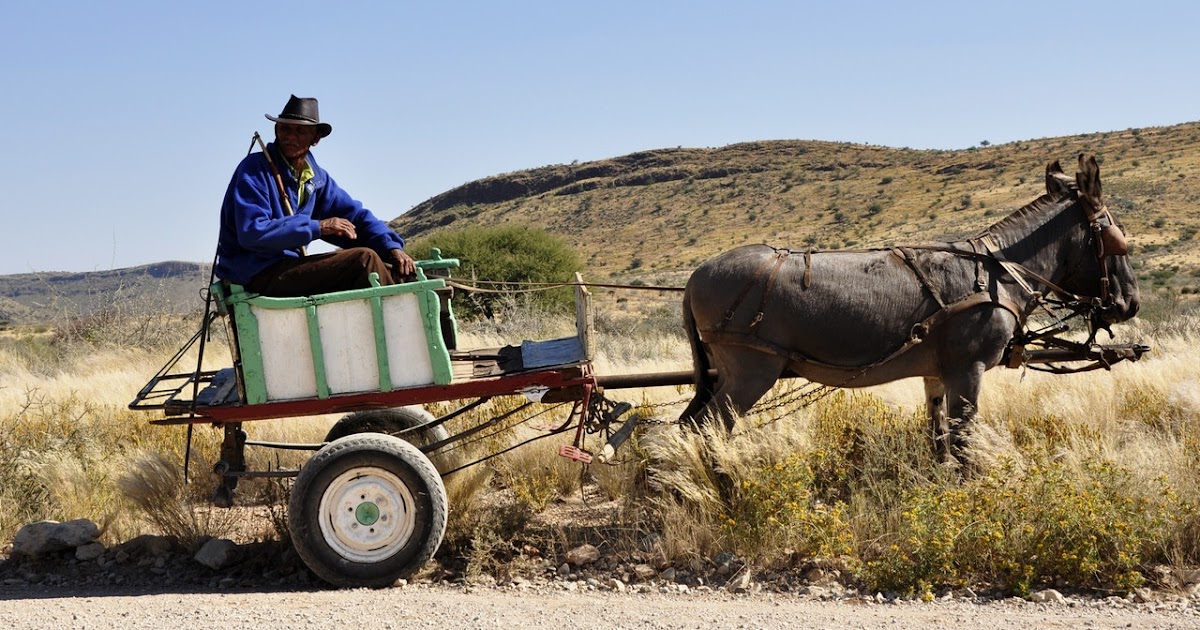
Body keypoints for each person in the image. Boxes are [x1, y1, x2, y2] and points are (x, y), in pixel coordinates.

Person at [215, 95, 417, 296]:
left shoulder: (316, 178)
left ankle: (434, 298)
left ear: (315, 138)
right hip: (255, 273)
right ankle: (403, 316)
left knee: (398, 269)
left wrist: (391, 247)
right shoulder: (254, 170)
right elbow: (253, 232)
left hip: (287, 267)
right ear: (276, 130)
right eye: (285, 128)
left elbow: (355, 217)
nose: (290, 136)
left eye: (300, 131)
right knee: (363, 261)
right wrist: (318, 227)